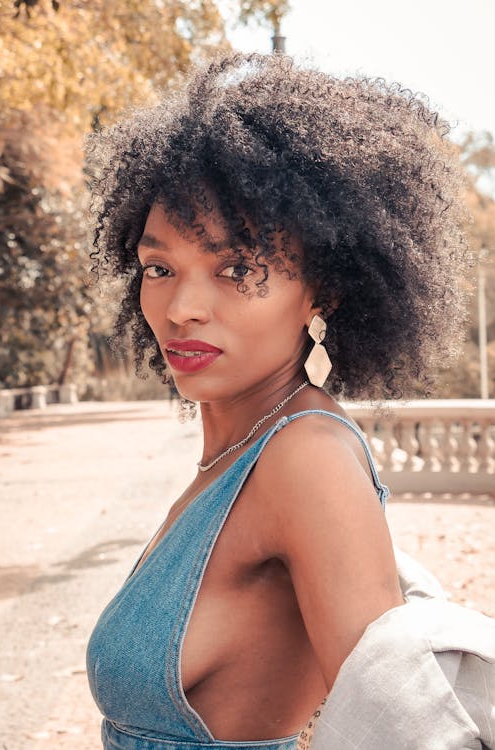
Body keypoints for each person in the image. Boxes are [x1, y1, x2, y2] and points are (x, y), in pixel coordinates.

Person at [85, 53, 493, 750]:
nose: (182, 307)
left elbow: (406, 732)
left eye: (236, 268)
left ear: (323, 290)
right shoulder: (241, 452)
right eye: (160, 268)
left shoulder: (304, 458)